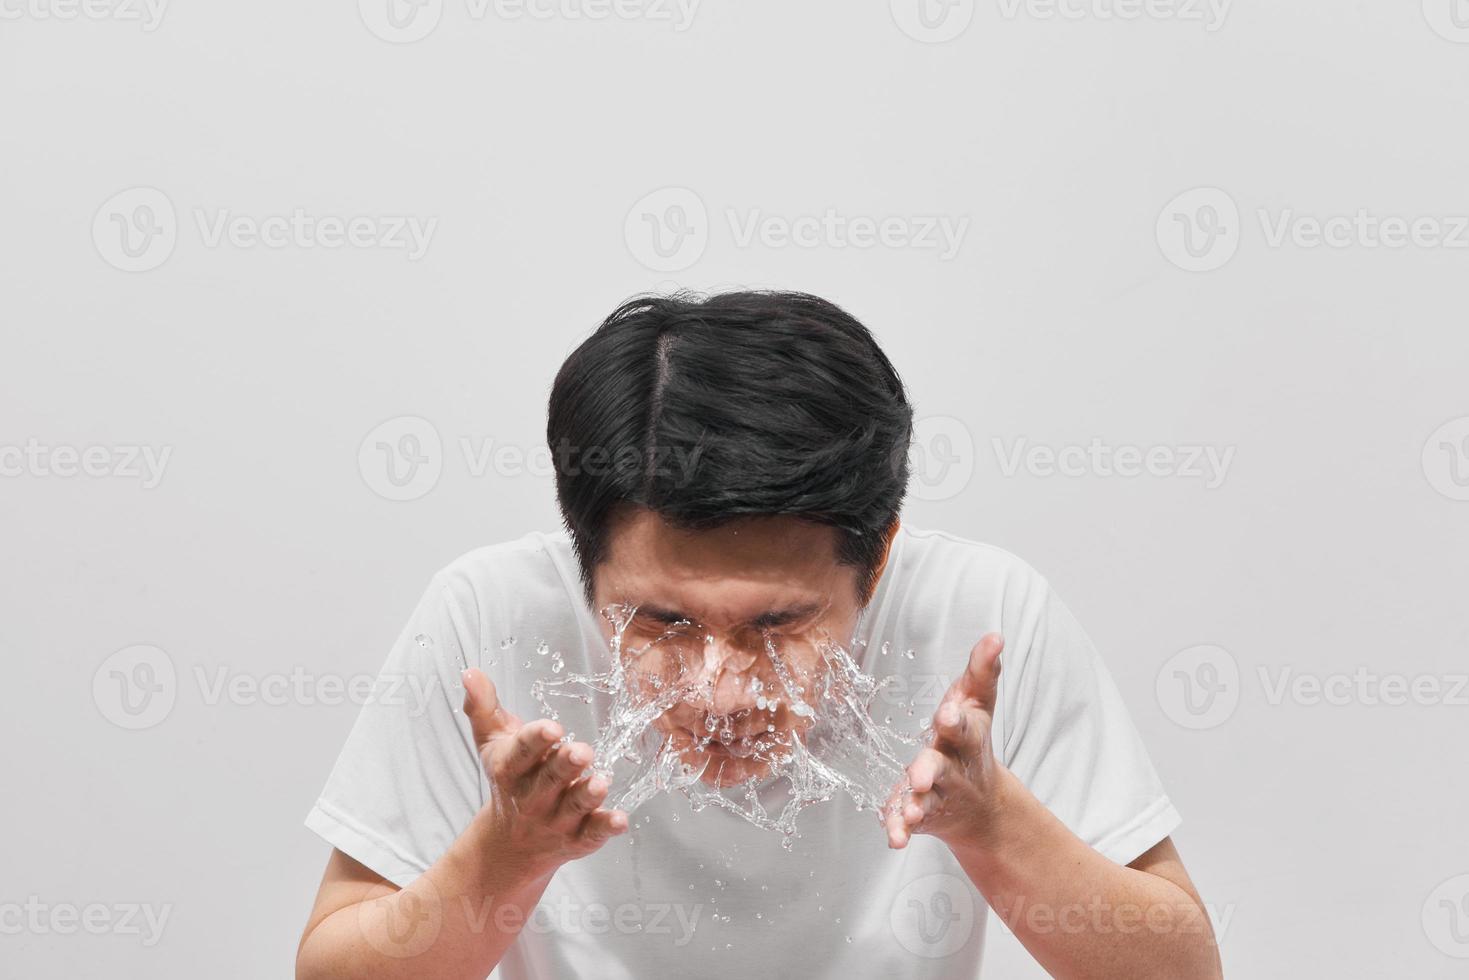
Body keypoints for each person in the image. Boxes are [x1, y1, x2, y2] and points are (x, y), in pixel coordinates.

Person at [295, 291, 1223, 979]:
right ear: (582, 563)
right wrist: (506, 853)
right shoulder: (489, 620)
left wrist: (993, 824)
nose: (721, 688)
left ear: (881, 553)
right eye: (661, 621)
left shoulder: (978, 614)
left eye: (780, 623)